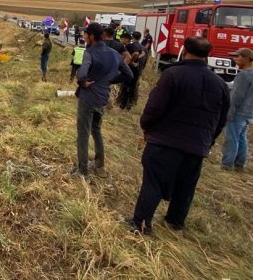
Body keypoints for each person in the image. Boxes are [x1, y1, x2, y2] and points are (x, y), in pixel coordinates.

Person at [126, 36, 230, 235]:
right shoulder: (220, 84)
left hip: (165, 142)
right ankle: (175, 223)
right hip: (197, 146)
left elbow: (155, 107)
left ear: (184, 50)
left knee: (153, 182)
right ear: (207, 55)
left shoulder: (173, 74)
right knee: (186, 187)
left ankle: (141, 223)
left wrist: (146, 126)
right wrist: (208, 140)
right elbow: (222, 118)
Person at [73, 23, 133, 177]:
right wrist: (109, 80)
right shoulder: (114, 53)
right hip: (103, 98)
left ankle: (82, 170)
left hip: (88, 98)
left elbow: (81, 75)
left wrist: (83, 83)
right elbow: (129, 75)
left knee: (83, 134)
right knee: (96, 130)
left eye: (86, 35)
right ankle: (99, 164)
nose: (85, 37)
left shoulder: (90, 53)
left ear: (92, 36)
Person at [221, 48, 253, 171]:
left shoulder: (244, 75)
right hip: (249, 112)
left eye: (237, 56)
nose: (235, 59)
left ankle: (227, 165)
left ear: (246, 58)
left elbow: (236, 97)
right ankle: (240, 164)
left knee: (231, 139)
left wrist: (229, 112)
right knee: (241, 138)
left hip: (238, 113)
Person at [118, 31, 144, 110]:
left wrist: (131, 62)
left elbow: (135, 53)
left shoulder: (129, 46)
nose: (120, 40)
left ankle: (123, 105)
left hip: (130, 70)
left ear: (127, 39)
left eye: (122, 39)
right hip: (137, 71)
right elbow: (143, 53)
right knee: (132, 88)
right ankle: (129, 105)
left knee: (126, 87)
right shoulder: (140, 46)